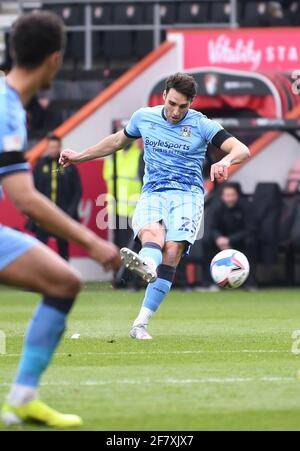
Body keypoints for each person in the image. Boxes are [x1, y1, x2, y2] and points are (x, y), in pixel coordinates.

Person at [60, 72, 250, 340]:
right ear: (163, 96)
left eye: (182, 106)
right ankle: (148, 263)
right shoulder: (143, 117)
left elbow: (242, 149)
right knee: (152, 235)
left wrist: (226, 161)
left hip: (187, 196)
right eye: (171, 103)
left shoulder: (203, 125)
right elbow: (117, 141)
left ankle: (140, 323)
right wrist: (80, 156)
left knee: (172, 251)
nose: (175, 111)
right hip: (153, 193)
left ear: (191, 103)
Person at [0, 11, 120, 428]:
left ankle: (22, 399)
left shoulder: (9, 102)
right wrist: (92, 242)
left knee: (63, 280)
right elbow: (24, 198)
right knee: (65, 279)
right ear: (56, 59)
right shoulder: (6, 106)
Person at [28, 133, 82, 260]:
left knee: (63, 246)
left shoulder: (68, 165)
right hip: (43, 214)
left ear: (60, 148)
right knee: (41, 247)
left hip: (61, 214)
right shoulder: (40, 165)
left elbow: (77, 190)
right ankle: (41, 276)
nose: (53, 150)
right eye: (51, 147)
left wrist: (71, 211)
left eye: (56, 147)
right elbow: (32, 188)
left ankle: (64, 277)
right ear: (47, 148)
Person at [103, 140, 143, 288]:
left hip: (134, 209)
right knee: (119, 247)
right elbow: (108, 179)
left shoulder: (139, 154)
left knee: (133, 249)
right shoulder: (113, 156)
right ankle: (119, 280)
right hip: (116, 209)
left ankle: (133, 281)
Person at [202, 183, 257, 289]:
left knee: (251, 242)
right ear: (222, 196)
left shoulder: (246, 207)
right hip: (220, 242)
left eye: (232, 195)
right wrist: (218, 238)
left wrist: (230, 240)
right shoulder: (216, 208)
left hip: (239, 241)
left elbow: (251, 229)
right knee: (206, 241)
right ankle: (209, 282)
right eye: (227, 195)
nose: (230, 198)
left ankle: (250, 283)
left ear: (237, 195)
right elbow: (212, 227)